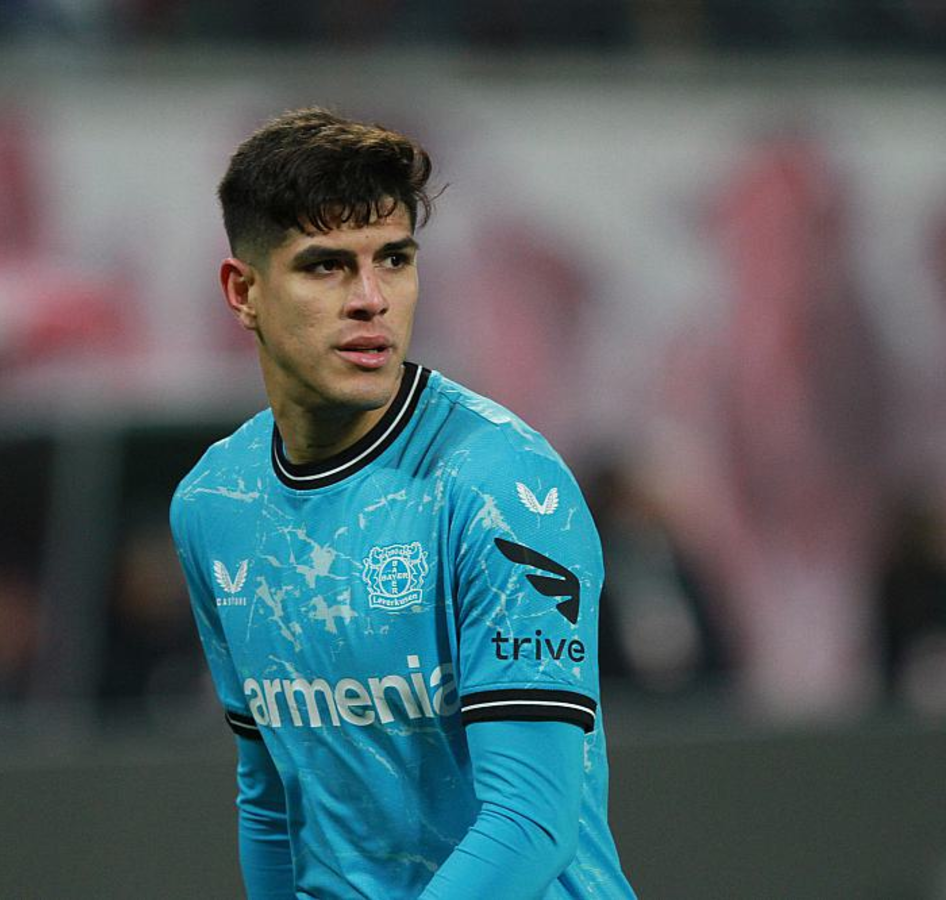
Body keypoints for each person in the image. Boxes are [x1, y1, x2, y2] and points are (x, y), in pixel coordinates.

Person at [170, 108, 635, 899]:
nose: (371, 299)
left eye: (393, 259)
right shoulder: (214, 503)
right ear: (243, 291)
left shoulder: (503, 486)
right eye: (325, 266)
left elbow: (531, 820)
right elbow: (274, 798)